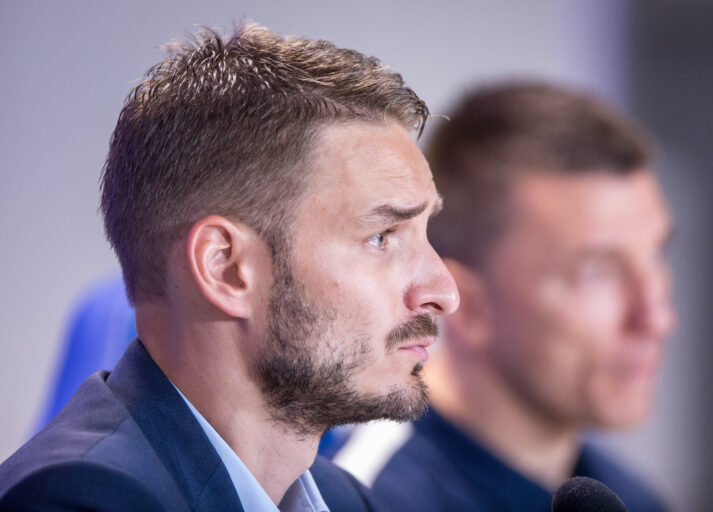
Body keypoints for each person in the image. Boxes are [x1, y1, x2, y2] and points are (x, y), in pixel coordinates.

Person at [0, 22, 458, 511]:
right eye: (382, 237)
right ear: (225, 267)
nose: (444, 291)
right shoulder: (81, 500)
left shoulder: (343, 498)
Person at [335, 82, 675, 511]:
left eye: (656, 255)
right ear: (470, 306)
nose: (656, 317)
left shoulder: (632, 499)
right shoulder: (366, 499)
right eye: (597, 272)